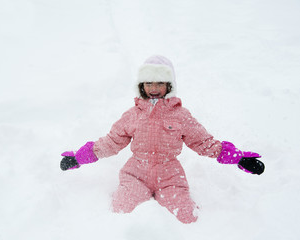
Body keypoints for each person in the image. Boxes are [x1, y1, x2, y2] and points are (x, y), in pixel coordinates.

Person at [60, 55, 264, 224]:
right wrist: (78, 158)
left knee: (186, 217)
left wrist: (239, 158)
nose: (154, 88)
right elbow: (111, 142)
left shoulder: (181, 115)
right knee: (121, 212)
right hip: (136, 174)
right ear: (141, 85)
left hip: (170, 177)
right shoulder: (133, 114)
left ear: (169, 85)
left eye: (159, 82)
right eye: (148, 82)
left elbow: (204, 142)